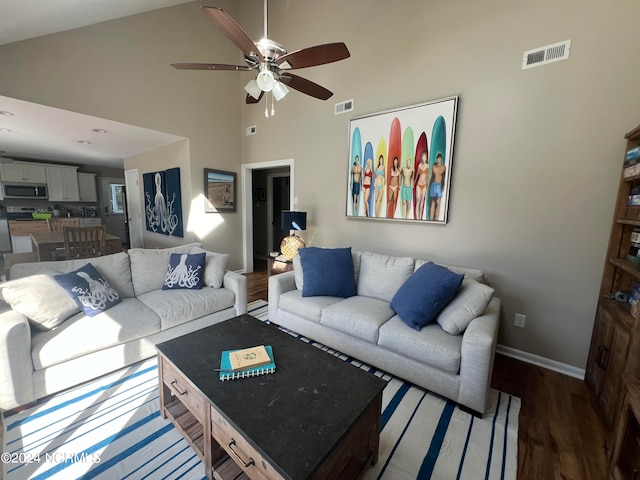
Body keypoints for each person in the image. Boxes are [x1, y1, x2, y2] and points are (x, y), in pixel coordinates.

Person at [429, 152, 446, 220]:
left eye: (440, 159)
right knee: (433, 202)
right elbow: (430, 176)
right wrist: (428, 184)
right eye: (438, 159)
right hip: (434, 185)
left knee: (438, 202)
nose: (439, 160)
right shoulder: (434, 167)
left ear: (441, 159)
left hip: (439, 185)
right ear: (437, 159)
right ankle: (431, 218)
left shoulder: (443, 167)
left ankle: (437, 218)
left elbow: (444, 178)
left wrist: (443, 187)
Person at [415, 152, 429, 220]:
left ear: (426, 158)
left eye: (425, 157)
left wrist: (427, 186)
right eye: (423, 156)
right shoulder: (419, 165)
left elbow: (428, 177)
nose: (424, 158)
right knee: (418, 200)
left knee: (422, 201)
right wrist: (414, 183)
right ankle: (417, 217)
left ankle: (420, 217)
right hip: (419, 184)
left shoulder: (428, 166)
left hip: (424, 185)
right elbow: (417, 175)